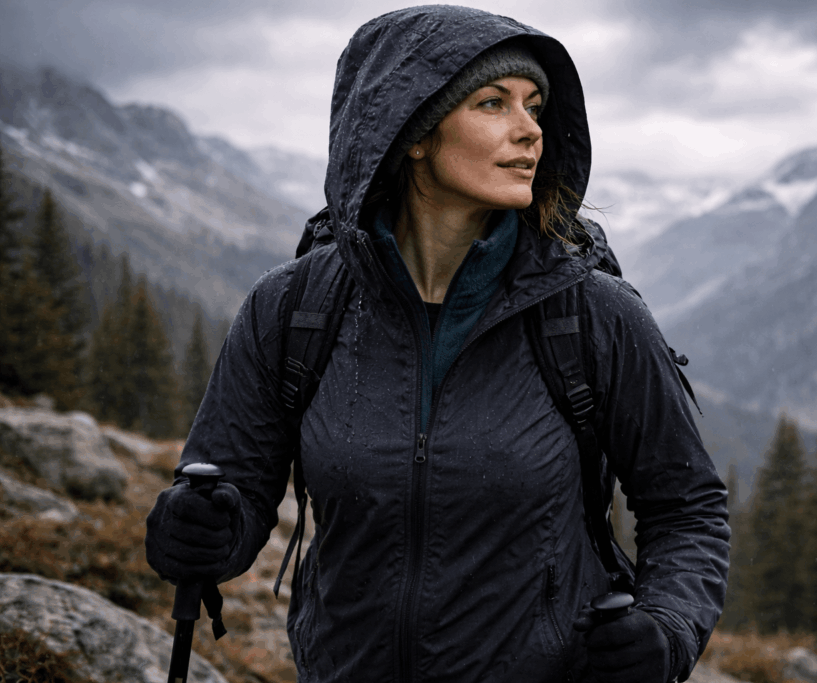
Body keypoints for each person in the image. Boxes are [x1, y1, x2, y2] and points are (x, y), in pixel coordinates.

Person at [145, 5, 730, 682]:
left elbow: (687, 507)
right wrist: (198, 531)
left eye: (535, 107)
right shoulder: (294, 307)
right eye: (492, 103)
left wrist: (667, 625)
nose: (530, 131)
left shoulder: (594, 315)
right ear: (412, 129)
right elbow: (235, 490)